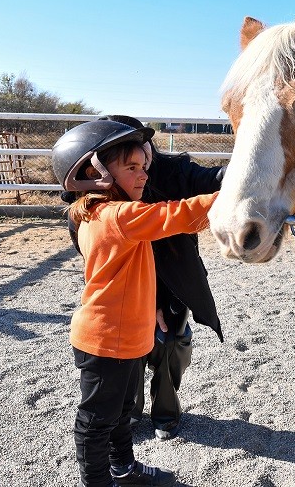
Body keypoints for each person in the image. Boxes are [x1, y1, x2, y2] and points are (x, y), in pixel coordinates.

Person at [51, 119, 218, 487]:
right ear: (90, 174)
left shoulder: (102, 214)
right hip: (106, 340)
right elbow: (180, 215)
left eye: (144, 166)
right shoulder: (116, 215)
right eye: (131, 167)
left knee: (122, 410)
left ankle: (123, 469)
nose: (143, 175)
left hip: (126, 338)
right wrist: (239, 195)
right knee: (96, 421)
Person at [100, 115, 225, 441]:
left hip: (172, 278)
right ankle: (129, 411)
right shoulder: (101, 197)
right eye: (129, 160)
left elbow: (211, 180)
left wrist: (239, 172)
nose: (142, 166)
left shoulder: (174, 170)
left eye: (143, 151)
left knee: (170, 340)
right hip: (126, 281)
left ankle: (165, 413)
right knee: (128, 349)